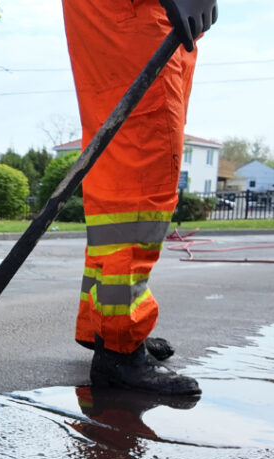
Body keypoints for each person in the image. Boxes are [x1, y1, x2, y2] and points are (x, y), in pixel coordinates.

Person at [63, 0, 217, 396]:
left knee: (114, 181)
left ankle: (104, 326)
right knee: (140, 184)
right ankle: (119, 345)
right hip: (139, 16)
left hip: (127, 18)